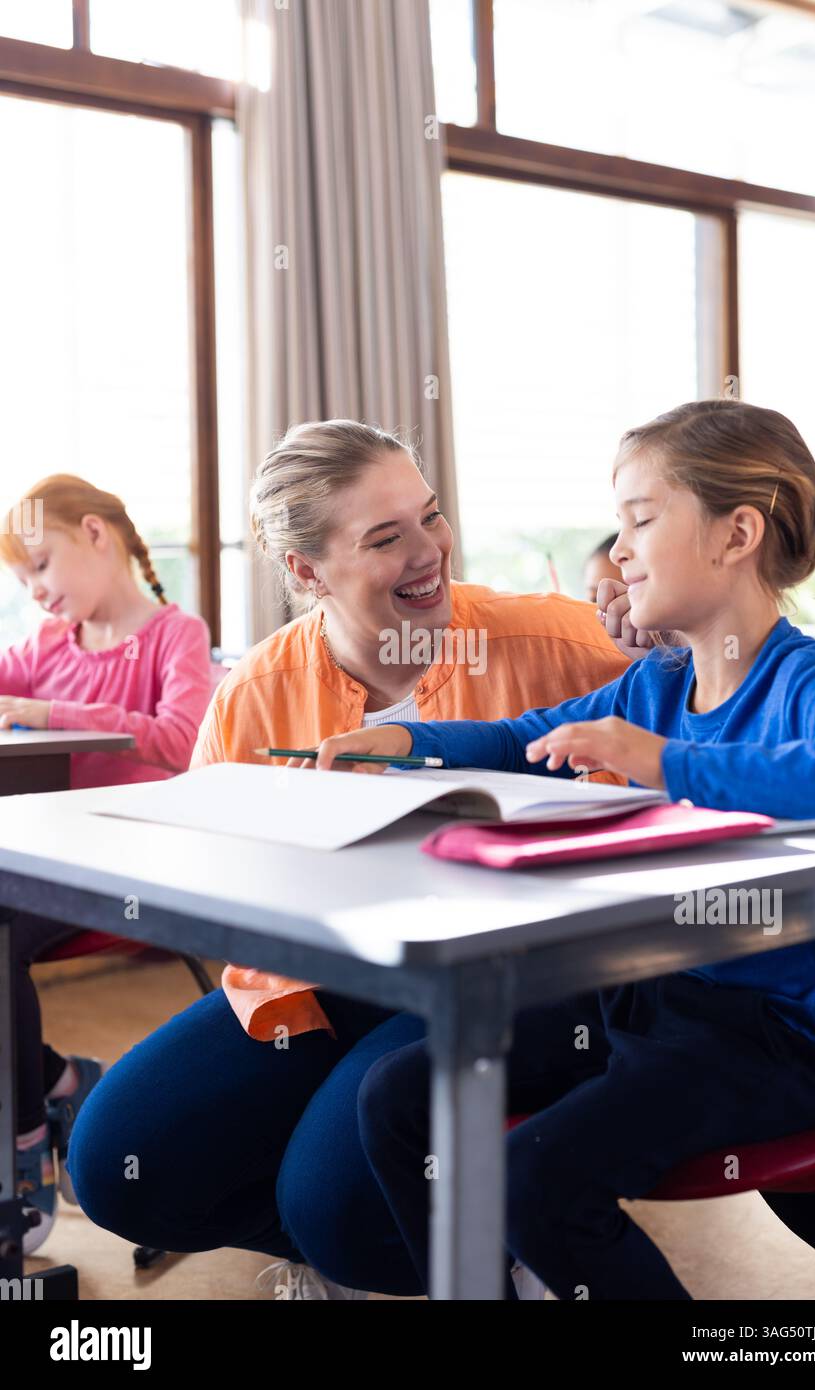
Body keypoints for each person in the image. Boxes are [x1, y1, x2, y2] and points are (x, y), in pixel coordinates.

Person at [313, 398, 815, 1298]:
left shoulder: (804, 676)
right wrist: (409, 745)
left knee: (541, 1181)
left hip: (779, 1041)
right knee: (397, 1098)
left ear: (736, 535)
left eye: (640, 521)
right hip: (654, 999)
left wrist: (667, 762)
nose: (617, 553)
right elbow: (517, 738)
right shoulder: (659, 679)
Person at [67, 419, 633, 1299]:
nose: (429, 552)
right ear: (304, 571)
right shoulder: (254, 696)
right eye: (384, 537)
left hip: (516, 984)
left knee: (335, 1202)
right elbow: (206, 877)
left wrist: (668, 629)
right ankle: (395, 1244)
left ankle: (444, 1251)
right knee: (117, 1164)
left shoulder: (561, 646)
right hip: (321, 983)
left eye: (431, 517)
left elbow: (729, 709)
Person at [0, 475, 213, 1253]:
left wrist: (53, 713)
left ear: (95, 534)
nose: (36, 594)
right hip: (52, 861)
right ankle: (56, 1081)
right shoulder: (46, 646)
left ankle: (24, 1152)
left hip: (136, 863)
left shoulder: (175, 635)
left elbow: (181, 738)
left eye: (41, 568)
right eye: (21, 583)